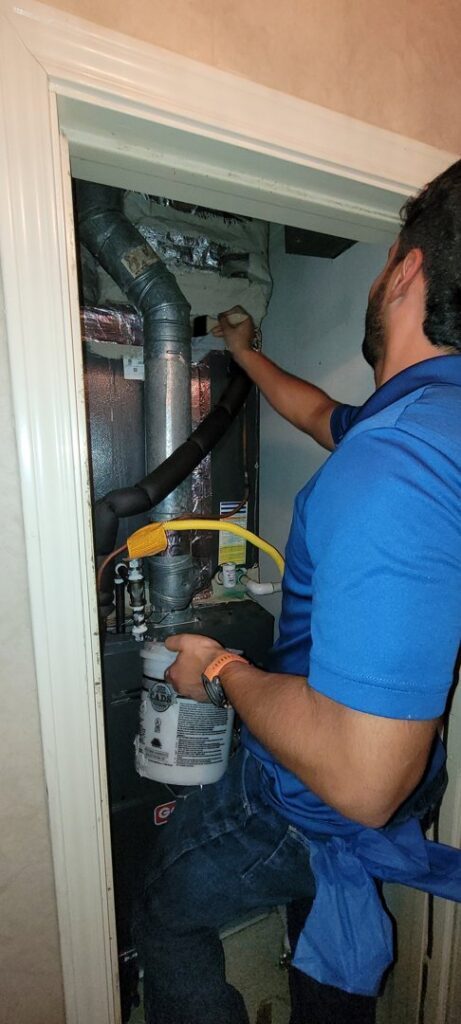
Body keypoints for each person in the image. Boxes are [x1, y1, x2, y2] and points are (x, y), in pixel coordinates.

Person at [134, 160, 461, 1024]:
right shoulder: (430, 417)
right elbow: (321, 416)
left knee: (163, 915)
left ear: (406, 270)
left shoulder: (397, 459)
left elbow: (359, 778)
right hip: (410, 768)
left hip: (311, 794)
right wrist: (246, 353)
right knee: (320, 930)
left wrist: (221, 670)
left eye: (384, 259)